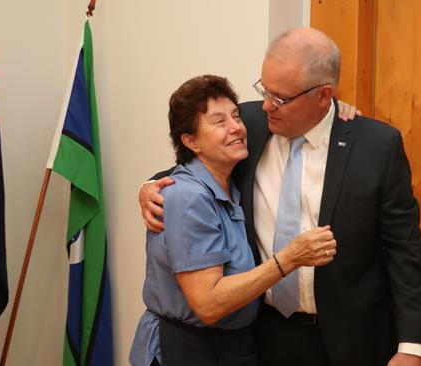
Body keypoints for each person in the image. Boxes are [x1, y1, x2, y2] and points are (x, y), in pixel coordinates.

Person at [141, 28, 421, 366]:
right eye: (264, 90)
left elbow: (405, 252)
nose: (266, 105)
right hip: (261, 336)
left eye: (279, 98)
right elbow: (194, 167)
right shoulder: (248, 123)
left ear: (323, 96)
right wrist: (149, 186)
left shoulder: (376, 147)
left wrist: (412, 347)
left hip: (348, 338)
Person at [129, 75, 338, 366]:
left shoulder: (233, 183)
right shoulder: (189, 195)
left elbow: (306, 106)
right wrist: (291, 258)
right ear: (191, 141)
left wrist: (337, 110)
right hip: (187, 349)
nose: (236, 127)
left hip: (230, 348)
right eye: (218, 122)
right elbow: (209, 304)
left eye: (236, 116)